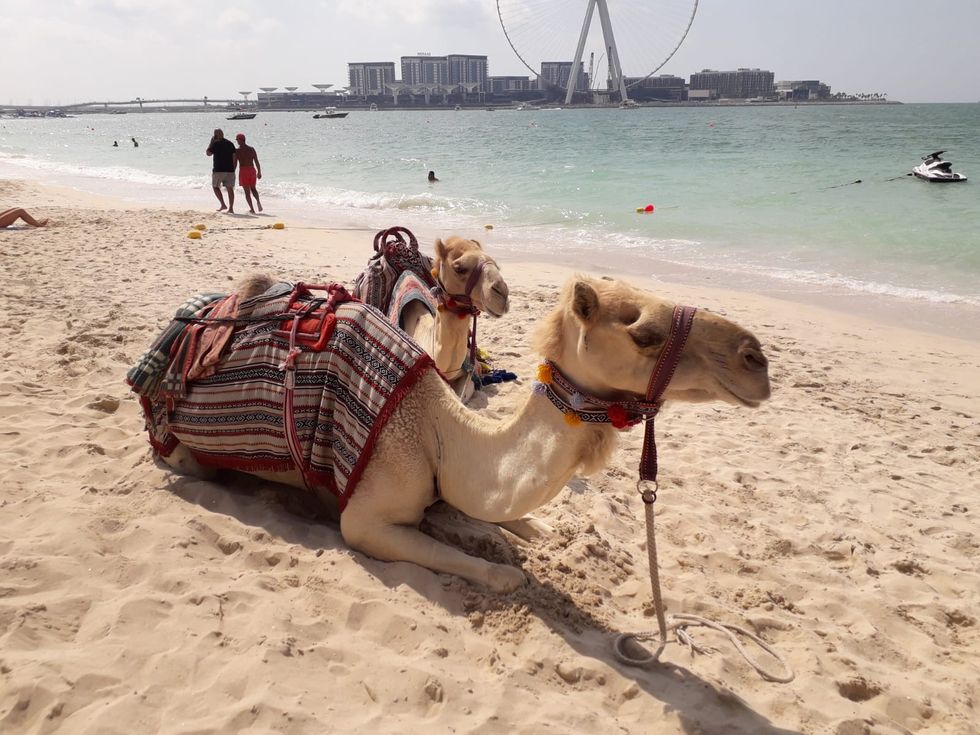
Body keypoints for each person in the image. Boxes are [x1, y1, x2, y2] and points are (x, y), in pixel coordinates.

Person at [206, 128, 237, 213]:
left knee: (215, 187)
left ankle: (223, 204)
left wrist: (211, 142)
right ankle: (231, 208)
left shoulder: (215, 144)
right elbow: (235, 157)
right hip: (230, 170)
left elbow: (208, 153)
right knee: (230, 189)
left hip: (218, 170)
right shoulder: (230, 143)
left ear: (215, 135)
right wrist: (234, 169)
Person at [233, 133, 263, 214]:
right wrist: (259, 172)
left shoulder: (237, 151)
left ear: (240, 140)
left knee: (247, 192)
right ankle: (258, 202)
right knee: (253, 188)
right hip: (252, 170)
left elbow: (235, 164)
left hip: (243, 171)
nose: (237, 142)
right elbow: (256, 161)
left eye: (237, 140)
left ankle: (252, 209)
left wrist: (233, 173)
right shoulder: (251, 149)